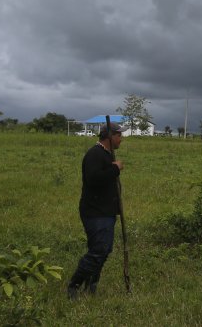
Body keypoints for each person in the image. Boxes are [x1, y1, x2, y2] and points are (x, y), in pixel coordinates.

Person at [67, 121, 124, 297]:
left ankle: (91, 284)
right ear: (110, 136)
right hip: (95, 212)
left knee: (102, 249)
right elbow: (94, 179)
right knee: (100, 250)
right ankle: (74, 285)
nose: (121, 139)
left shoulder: (107, 154)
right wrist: (115, 168)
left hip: (105, 211)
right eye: (119, 135)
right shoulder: (95, 154)